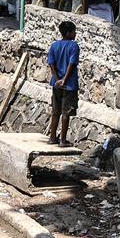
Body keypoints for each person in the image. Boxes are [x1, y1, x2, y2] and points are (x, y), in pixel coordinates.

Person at [47, 20, 80, 148]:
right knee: (66, 113)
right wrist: (65, 80)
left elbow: (51, 63)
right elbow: (72, 64)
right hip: (69, 84)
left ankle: (52, 137)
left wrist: (57, 79)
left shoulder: (54, 45)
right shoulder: (74, 46)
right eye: (73, 31)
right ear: (68, 33)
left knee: (56, 111)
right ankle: (62, 140)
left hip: (56, 84)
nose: (75, 33)